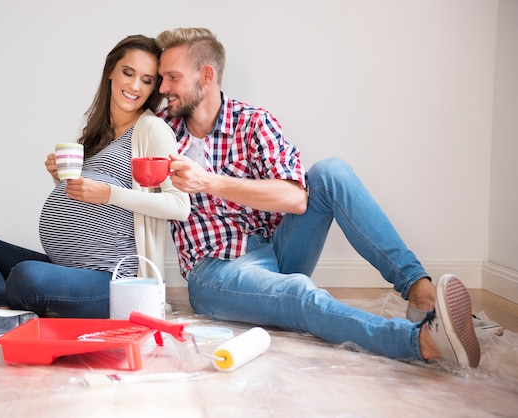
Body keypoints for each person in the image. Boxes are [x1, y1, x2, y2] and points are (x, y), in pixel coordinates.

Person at [155, 27, 481, 367]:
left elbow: (296, 199)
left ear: (206, 76)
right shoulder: (159, 130)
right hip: (215, 271)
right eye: (162, 78)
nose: (162, 89)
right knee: (297, 293)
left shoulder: (253, 123)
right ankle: (422, 342)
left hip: (276, 250)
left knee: (331, 173)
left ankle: (420, 292)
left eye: (172, 77)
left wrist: (208, 182)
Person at [0, 35, 190, 340]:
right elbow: (81, 199)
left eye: (146, 80)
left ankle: (13, 309)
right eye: (128, 73)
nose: (135, 86)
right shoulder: (95, 133)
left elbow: (180, 206)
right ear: (111, 71)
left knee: (25, 276)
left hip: (112, 281)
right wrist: (59, 179)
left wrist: (109, 194)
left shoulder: (152, 130)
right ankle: (8, 313)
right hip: (65, 268)